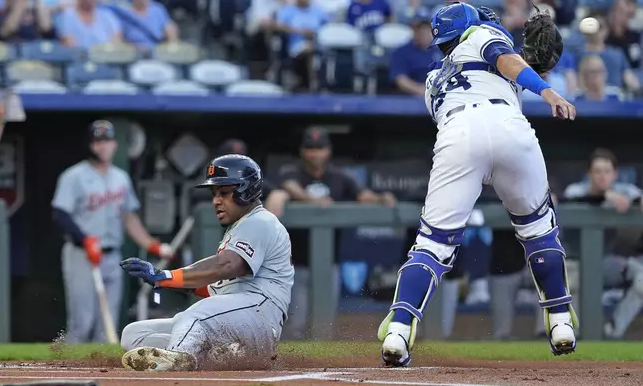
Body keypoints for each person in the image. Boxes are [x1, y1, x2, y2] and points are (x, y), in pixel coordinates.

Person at [378, 2, 577, 367]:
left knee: (432, 244)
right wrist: (547, 90)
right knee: (537, 230)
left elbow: (504, 67)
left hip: (458, 135)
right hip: (507, 126)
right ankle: (561, 321)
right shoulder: (484, 34)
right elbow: (507, 63)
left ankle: (399, 330)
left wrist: (530, 66)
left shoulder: (432, 80)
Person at [119, 155, 293, 371]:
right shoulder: (240, 228)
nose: (216, 201)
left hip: (259, 314)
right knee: (134, 334)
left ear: (245, 190)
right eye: (214, 194)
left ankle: (179, 358)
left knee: (196, 314)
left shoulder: (260, 221)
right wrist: (163, 280)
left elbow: (226, 266)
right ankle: (218, 355)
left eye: (224, 193)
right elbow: (214, 288)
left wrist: (165, 275)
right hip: (235, 317)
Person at [51, 120, 174, 343]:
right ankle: (69, 372)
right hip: (82, 255)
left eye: (107, 141)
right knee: (83, 321)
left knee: (105, 326)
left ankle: (101, 374)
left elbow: (128, 217)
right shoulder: (74, 176)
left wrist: (151, 245)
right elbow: (60, 213)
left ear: (115, 145)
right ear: (90, 145)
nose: (103, 146)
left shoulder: (120, 177)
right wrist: (84, 240)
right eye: (98, 141)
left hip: (112, 256)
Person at [274, 126, 396, 340]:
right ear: (303, 151)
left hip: (329, 262)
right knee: (295, 322)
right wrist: (311, 201)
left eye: (319, 148)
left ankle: (319, 366)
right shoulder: (292, 172)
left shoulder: (339, 177)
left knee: (324, 322)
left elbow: (362, 195)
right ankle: (290, 363)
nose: (315, 153)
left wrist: (380, 198)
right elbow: (288, 186)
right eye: (310, 148)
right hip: (295, 263)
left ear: (328, 151)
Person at [562, 148, 643, 340]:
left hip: (607, 264)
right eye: (597, 171)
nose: (602, 176)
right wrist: (605, 196)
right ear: (589, 173)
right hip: (575, 263)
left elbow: (638, 198)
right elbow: (572, 199)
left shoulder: (624, 190)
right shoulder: (576, 190)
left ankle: (613, 330)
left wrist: (637, 201)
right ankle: (575, 335)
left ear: (615, 174)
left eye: (607, 171)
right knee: (570, 283)